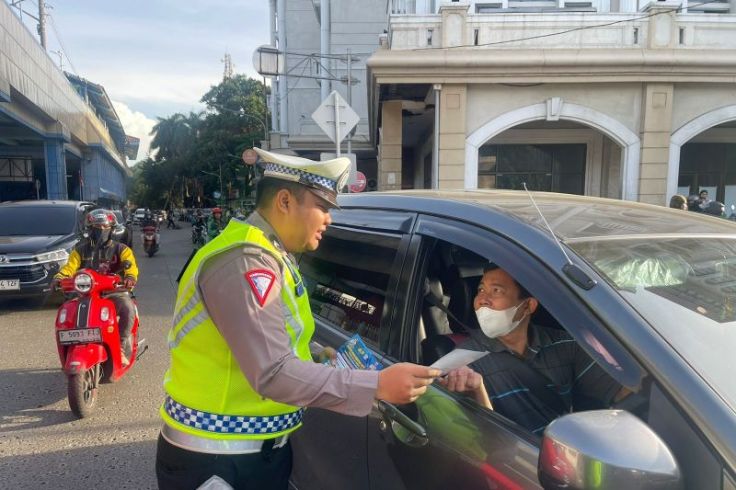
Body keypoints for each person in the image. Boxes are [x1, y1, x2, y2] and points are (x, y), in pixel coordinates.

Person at [155, 148, 440, 490]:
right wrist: (377, 386)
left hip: (251, 453)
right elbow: (273, 372)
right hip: (219, 459)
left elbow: (269, 337)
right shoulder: (246, 261)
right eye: (322, 207)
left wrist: (316, 353)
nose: (329, 219)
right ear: (286, 201)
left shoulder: (272, 255)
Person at [440, 264, 626, 436]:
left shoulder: (566, 344)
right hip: (516, 463)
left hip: (568, 455)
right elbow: (485, 441)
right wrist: (476, 392)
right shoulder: (462, 363)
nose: (482, 300)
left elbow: (616, 396)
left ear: (528, 306)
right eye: (480, 290)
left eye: (496, 290)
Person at [53, 209, 138, 366]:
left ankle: (119, 346)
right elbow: (69, 268)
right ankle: (71, 346)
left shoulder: (122, 249)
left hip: (114, 292)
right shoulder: (79, 250)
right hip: (85, 294)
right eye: (96, 227)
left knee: (127, 309)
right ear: (89, 229)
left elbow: (131, 266)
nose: (100, 230)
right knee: (67, 313)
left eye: (104, 227)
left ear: (112, 229)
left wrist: (130, 277)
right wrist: (60, 278)